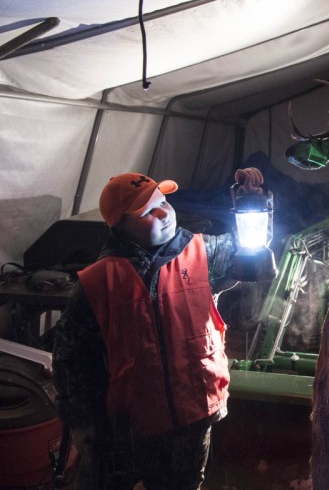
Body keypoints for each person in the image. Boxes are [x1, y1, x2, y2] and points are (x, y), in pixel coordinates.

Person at [52, 168, 265, 489]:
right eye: (148, 211)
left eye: (164, 202)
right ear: (119, 226)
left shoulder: (203, 252)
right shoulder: (97, 283)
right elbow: (72, 362)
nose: (164, 213)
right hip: (126, 434)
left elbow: (253, 246)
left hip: (193, 419)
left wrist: (251, 200)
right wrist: (85, 428)